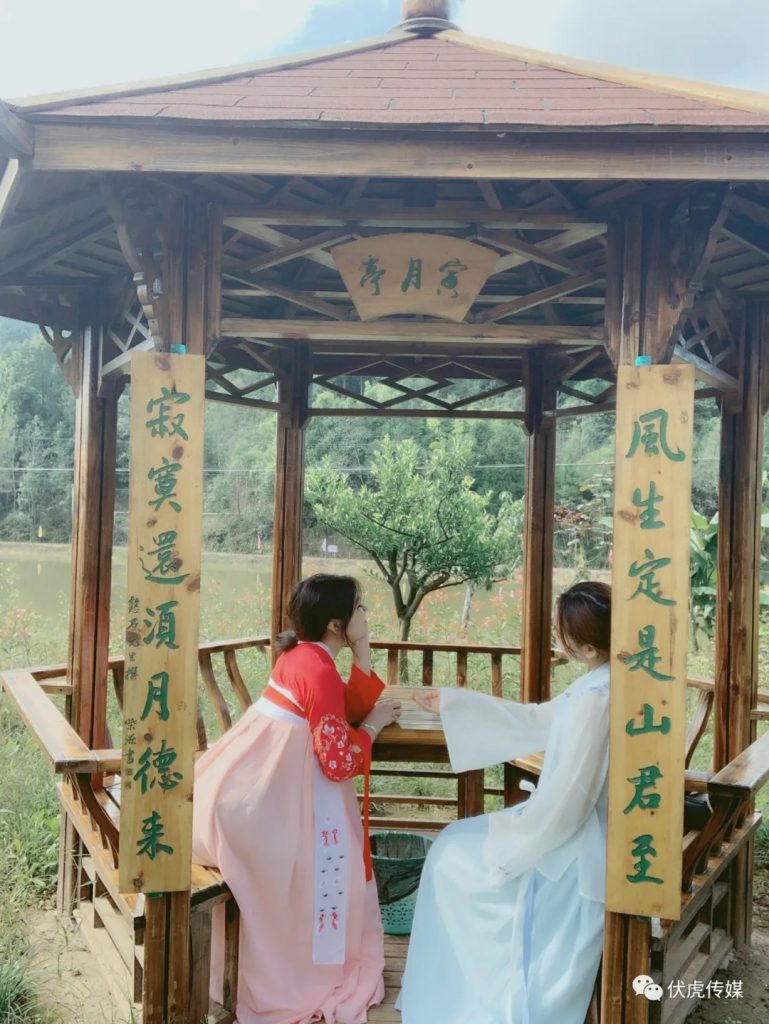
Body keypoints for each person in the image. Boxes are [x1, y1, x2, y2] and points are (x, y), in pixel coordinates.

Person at [398, 581, 612, 1024]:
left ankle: (464, 993)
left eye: (562, 631)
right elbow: (536, 718)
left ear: (589, 647)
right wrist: (454, 703)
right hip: (568, 825)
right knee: (452, 839)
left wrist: (516, 847)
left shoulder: (598, 700)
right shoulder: (599, 683)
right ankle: (452, 988)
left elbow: (571, 803)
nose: (556, 637)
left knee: (450, 857)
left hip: (577, 848)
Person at [192, 574, 402, 1024]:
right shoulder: (318, 668)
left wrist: (362, 653)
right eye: (359, 608)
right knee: (329, 863)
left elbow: (338, 709)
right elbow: (338, 762)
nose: (365, 614)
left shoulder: (301, 656)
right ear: (335, 624)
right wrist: (373, 727)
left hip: (243, 791)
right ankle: (301, 975)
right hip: (256, 808)